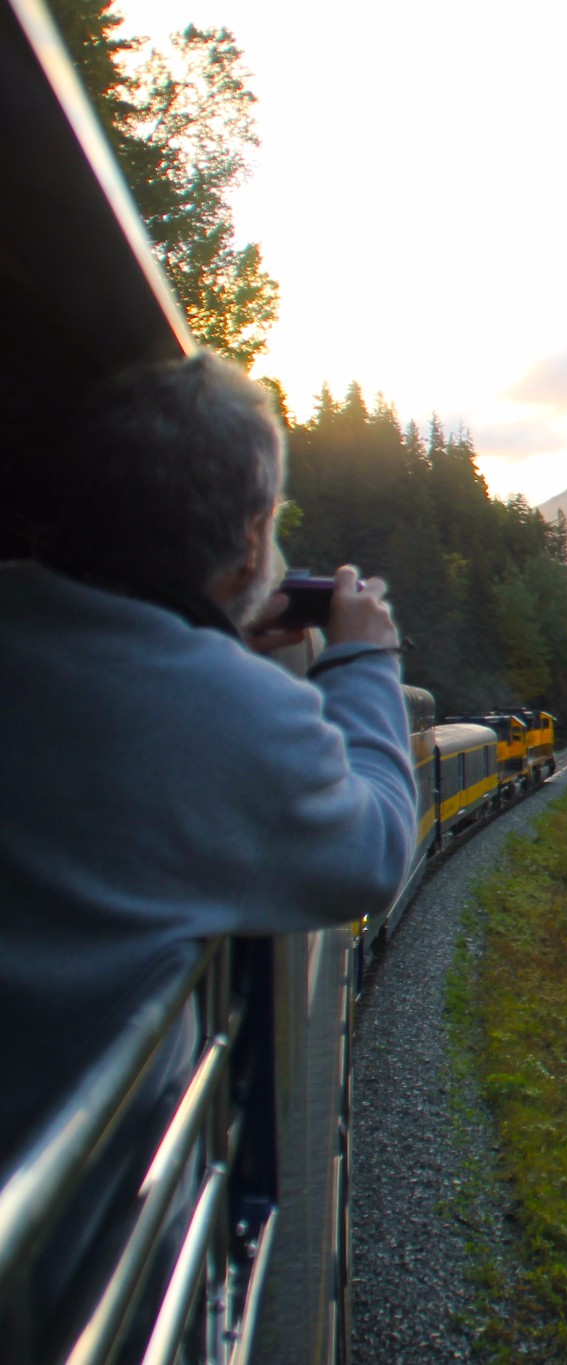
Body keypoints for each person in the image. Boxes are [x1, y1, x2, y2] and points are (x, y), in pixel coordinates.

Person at [0, 350, 415, 1149]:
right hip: (78, 1250)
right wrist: (365, 660)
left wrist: (214, 631)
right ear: (254, 537)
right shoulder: (242, 710)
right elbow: (376, 851)